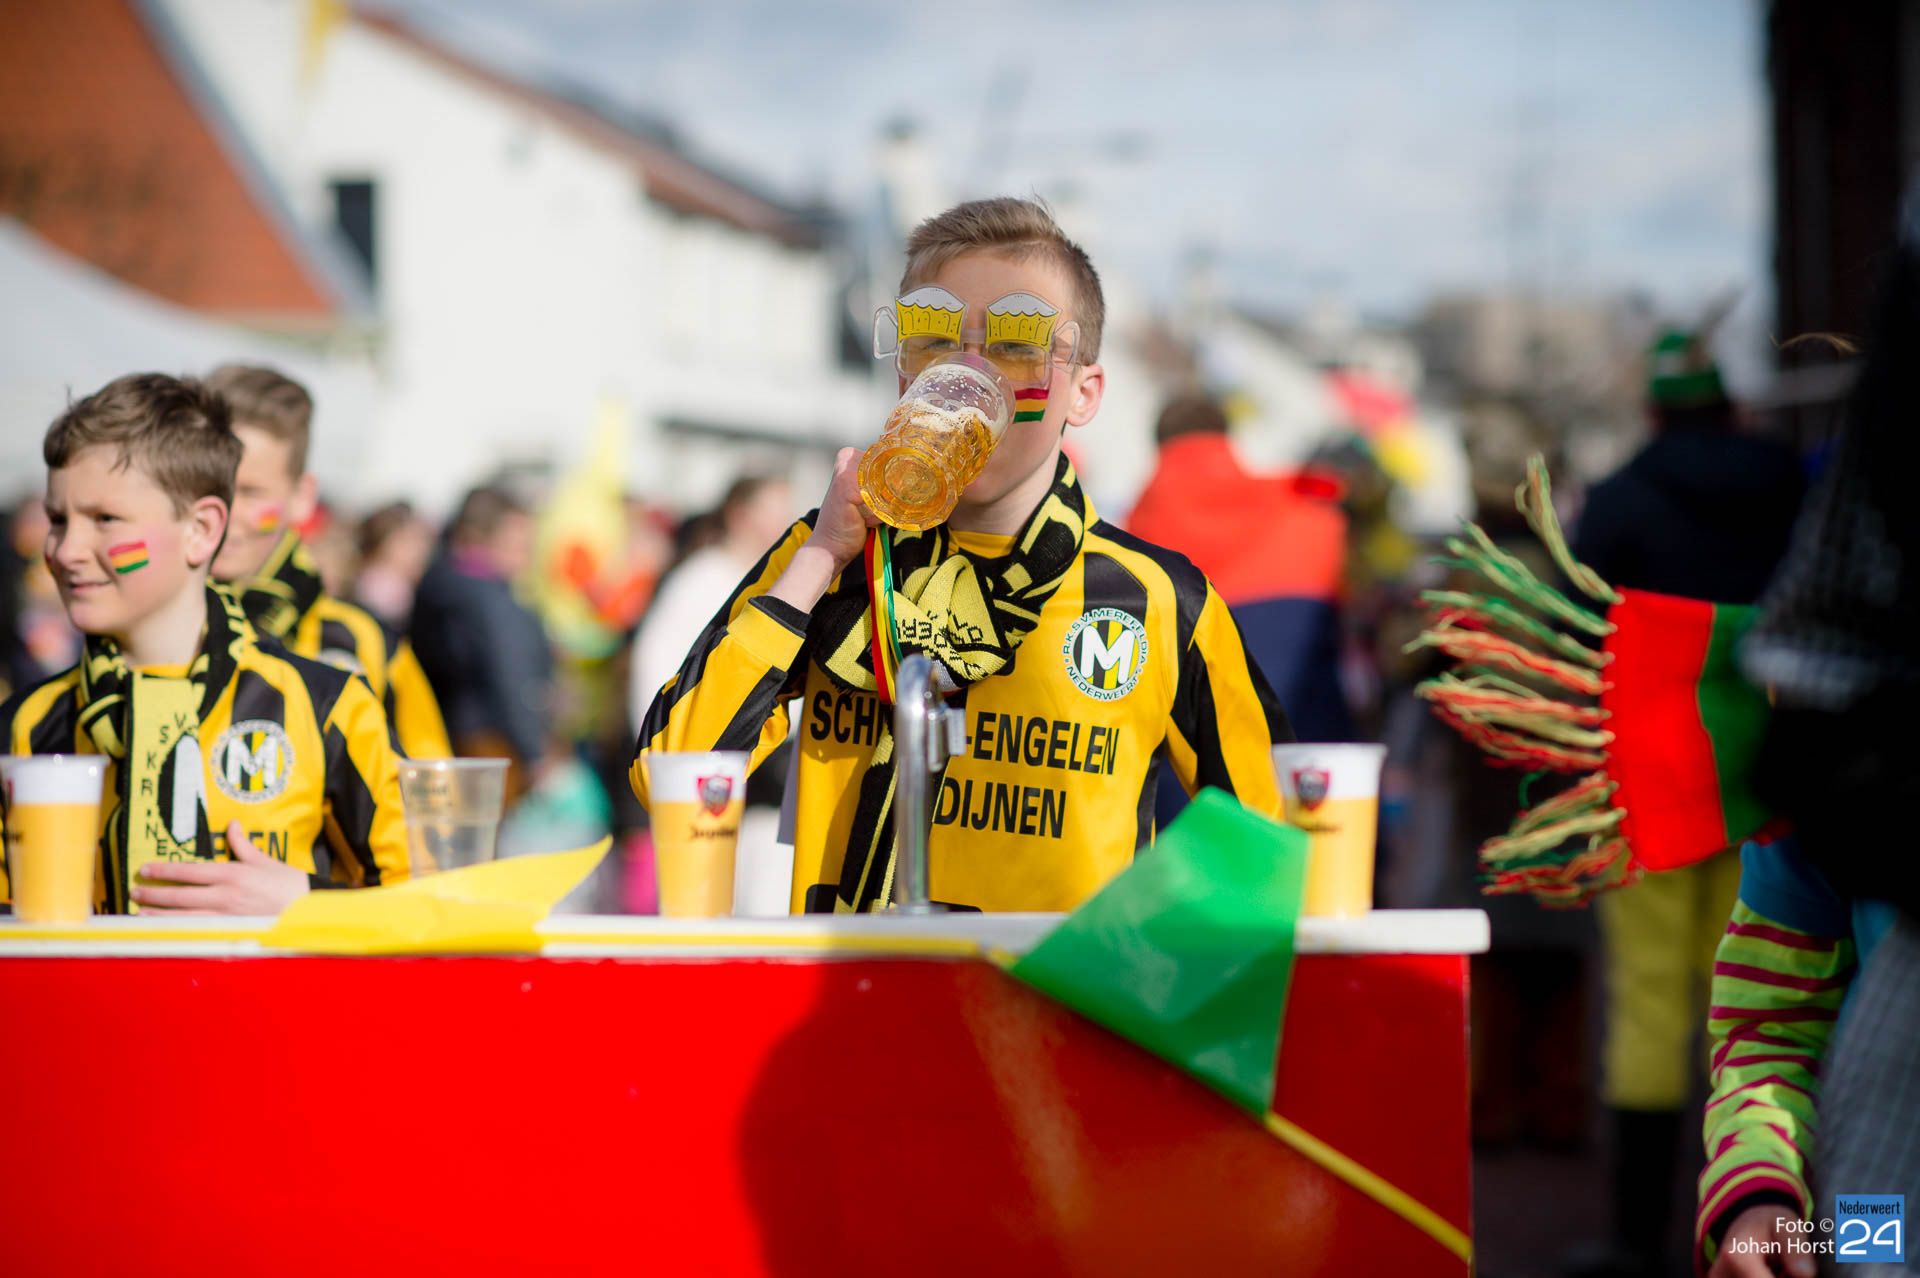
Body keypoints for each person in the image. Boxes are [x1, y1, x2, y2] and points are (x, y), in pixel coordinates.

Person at [631, 197, 1292, 913]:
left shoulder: (1157, 598)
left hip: (1051, 984)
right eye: (933, 340)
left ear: (1084, 393)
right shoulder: (830, 558)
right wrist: (820, 558)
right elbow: (670, 773)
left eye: (1017, 345)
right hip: (854, 978)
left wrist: (1140, 947)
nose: (970, 375)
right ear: (902, 370)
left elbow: (1273, 844)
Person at [1570, 326, 1807, 1277]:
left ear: (1653, 409)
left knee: (1647, 1000)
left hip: (1649, 780)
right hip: (1776, 781)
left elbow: (1582, 630)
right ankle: (1760, 1227)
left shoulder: (1620, 497)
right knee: (1758, 1008)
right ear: (1729, 404)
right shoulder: (1792, 485)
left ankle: (1636, 1243)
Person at [0, 374, 411, 913]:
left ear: (201, 529)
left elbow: (433, 911)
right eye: (57, 519)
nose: (67, 549)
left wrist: (304, 903)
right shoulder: (27, 725)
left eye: (105, 519)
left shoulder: (330, 709)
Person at [205, 365, 451, 760]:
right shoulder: (145, 629)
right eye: (211, 489)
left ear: (302, 497)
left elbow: (432, 781)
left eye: (251, 492)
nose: (225, 513)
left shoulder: (362, 643)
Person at [1126, 394, 1352, 742]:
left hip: (1207, 683)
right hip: (1302, 662)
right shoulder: (1298, 498)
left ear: (1161, 445)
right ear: (1226, 436)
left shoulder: (1145, 515)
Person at [410, 484, 553, 799]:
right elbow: (511, 672)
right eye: (518, 544)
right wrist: (532, 748)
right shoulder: (490, 598)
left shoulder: (435, 583)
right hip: (493, 742)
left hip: (439, 733)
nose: (527, 555)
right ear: (482, 537)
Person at [630, 476, 794, 731]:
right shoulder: (703, 576)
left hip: (753, 742)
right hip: (696, 740)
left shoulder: (778, 581)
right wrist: (657, 737)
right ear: (739, 516)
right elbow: (655, 657)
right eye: (772, 512)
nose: (786, 522)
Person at [351, 500, 433, 630]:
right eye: (408, 541)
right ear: (383, 544)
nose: (420, 551)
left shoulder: (395, 586)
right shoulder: (383, 590)